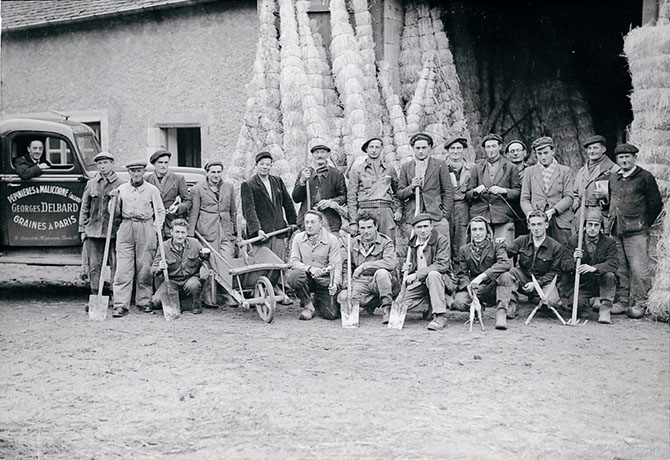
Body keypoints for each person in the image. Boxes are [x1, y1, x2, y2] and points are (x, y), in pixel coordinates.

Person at [608, 143, 663, 318]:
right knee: (620, 268)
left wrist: (642, 223)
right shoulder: (614, 178)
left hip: (636, 231)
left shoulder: (645, 177)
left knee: (639, 269)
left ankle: (640, 303)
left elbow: (655, 204)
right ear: (617, 159)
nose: (624, 160)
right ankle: (622, 301)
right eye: (620, 157)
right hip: (616, 229)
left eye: (627, 157)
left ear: (634, 158)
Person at [109, 159, 166, 317]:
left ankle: (144, 301)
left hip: (145, 226)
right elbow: (113, 213)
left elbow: (160, 211)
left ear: (143, 172)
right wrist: (112, 200)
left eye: (139, 171)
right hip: (126, 226)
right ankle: (121, 304)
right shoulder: (121, 189)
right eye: (133, 171)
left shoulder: (151, 190)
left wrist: (155, 228)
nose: (136, 174)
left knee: (144, 267)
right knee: (123, 268)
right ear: (129, 173)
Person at [78, 151, 125, 309]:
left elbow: (124, 209)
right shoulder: (91, 184)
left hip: (113, 232)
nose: (102, 166)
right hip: (94, 231)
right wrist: (82, 228)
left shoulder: (120, 183)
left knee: (115, 265)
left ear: (112, 164)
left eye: (105, 163)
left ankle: (114, 297)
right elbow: (85, 207)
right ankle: (94, 297)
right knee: (94, 266)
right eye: (99, 163)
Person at [451, 216, 516, 330]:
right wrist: (468, 287)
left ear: (487, 231)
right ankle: (478, 307)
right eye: (474, 230)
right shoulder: (464, 250)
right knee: (459, 302)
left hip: (494, 286)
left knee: (506, 276)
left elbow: (505, 263)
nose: (478, 233)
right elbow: (462, 273)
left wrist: (482, 277)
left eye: (481, 229)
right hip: (477, 288)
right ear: (470, 232)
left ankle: (501, 314)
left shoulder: (496, 246)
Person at [337, 212, 398, 324]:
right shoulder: (354, 242)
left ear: (376, 227)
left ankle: (387, 309)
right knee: (344, 297)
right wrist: (346, 281)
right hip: (362, 281)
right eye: (363, 228)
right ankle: (372, 302)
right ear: (359, 229)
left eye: (369, 227)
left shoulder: (385, 242)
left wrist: (365, 266)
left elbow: (390, 263)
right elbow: (347, 265)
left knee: (382, 273)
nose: (366, 231)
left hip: (381, 281)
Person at [561, 208, 618, 324]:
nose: (592, 228)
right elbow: (564, 264)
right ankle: (591, 302)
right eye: (590, 224)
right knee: (578, 307)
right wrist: (574, 258)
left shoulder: (609, 242)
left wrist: (595, 268)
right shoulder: (575, 241)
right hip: (582, 284)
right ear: (584, 226)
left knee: (610, 275)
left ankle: (605, 310)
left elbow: (614, 263)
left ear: (601, 228)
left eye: (596, 225)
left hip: (600, 282)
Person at [240, 151, 298, 261]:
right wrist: (258, 230)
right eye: (262, 164)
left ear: (271, 165)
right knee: (263, 266)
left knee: (279, 264)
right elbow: (249, 210)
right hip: (262, 235)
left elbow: (287, 202)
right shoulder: (248, 184)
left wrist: (293, 222)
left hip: (278, 231)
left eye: (267, 164)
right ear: (256, 165)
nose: (264, 167)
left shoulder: (277, 181)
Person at [466, 133, 521, 246]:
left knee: (504, 250)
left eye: (494, 146)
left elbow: (518, 192)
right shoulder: (477, 168)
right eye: (488, 147)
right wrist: (476, 191)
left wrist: (503, 190)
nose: (491, 150)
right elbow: (468, 194)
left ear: (500, 147)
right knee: (483, 253)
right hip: (481, 217)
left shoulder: (511, 167)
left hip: (503, 217)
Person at [505, 210, 564, 315]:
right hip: (524, 278)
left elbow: (555, 273)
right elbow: (507, 253)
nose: (536, 228)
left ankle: (537, 299)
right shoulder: (521, 240)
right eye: (533, 225)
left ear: (546, 225)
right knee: (509, 273)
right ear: (529, 226)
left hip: (544, 283)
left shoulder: (555, 247)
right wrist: (500, 246)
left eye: (539, 224)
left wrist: (536, 284)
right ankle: (511, 306)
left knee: (552, 302)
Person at [287, 210, 342, 321]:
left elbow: (336, 265)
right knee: (294, 276)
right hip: (307, 279)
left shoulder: (332, 240)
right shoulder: (298, 238)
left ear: (320, 224)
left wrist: (335, 283)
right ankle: (308, 305)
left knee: (331, 315)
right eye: (307, 222)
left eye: (313, 222)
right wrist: (310, 269)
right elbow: (293, 262)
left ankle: (318, 300)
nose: (309, 226)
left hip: (324, 281)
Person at [401, 213, 453, 331]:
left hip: (440, 280)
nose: (423, 230)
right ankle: (428, 304)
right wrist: (409, 268)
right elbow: (415, 265)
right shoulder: (412, 244)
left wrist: (416, 274)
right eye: (419, 227)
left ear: (431, 226)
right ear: (414, 229)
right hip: (420, 283)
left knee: (433, 274)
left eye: (425, 226)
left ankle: (440, 316)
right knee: (404, 304)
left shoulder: (441, 240)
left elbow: (442, 265)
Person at [397, 133, 454, 239]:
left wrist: (444, 214)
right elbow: (400, 193)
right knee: (416, 250)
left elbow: (448, 190)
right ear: (413, 149)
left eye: (424, 147)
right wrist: (412, 187)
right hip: (414, 217)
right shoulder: (406, 167)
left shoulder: (440, 164)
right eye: (417, 148)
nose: (421, 151)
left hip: (436, 216)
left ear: (430, 148)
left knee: (440, 247)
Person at [520, 136, 574, 246]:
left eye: (546, 153)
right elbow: (524, 198)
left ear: (553, 151)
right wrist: (531, 213)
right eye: (539, 154)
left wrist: (553, 210)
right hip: (538, 220)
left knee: (563, 251)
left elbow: (569, 197)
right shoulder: (529, 172)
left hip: (560, 221)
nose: (543, 157)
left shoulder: (565, 171)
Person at [150, 219, 209, 315]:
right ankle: (181, 303)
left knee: (193, 285)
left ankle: (195, 306)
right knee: (156, 301)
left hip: (190, 279)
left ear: (186, 233)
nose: (180, 235)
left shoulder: (195, 244)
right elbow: (153, 269)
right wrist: (159, 268)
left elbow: (205, 260)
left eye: (183, 232)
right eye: (177, 232)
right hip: (172, 282)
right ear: (171, 232)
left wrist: (204, 268)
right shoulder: (164, 246)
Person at [347, 137, 401, 240]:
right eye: (371, 147)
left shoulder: (389, 169)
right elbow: (351, 197)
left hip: (386, 211)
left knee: (388, 242)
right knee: (366, 243)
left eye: (377, 147)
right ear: (366, 149)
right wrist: (353, 221)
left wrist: (398, 209)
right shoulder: (357, 170)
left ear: (381, 149)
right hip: (365, 210)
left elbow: (398, 192)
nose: (374, 150)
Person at [188, 160, 237, 258]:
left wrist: (235, 232)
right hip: (207, 233)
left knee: (227, 261)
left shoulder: (228, 187)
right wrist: (190, 236)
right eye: (213, 172)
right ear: (207, 173)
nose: (216, 175)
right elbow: (193, 214)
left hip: (226, 232)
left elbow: (233, 211)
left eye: (219, 172)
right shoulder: (197, 189)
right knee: (211, 262)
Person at [293, 144, 347, 233]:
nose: (319, 155)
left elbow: (344, 196)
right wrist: (302, 181)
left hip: (330, 222)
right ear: (313, 155)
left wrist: (331, 202)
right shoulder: (305, 173)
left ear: (328, 155)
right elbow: (296, 198)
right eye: (317, 152)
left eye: (322, 152)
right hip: (308, 222)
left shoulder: (336, 174)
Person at [572, 135, 619, 235]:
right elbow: (575, 193)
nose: (592, 151)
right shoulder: (582, 170)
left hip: (601, 215)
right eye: (589, 148)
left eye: (595, 148)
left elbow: (619, 196)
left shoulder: (613, 170)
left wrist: (606, 198)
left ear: (603, 149)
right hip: (582, 214)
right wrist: (577, 208)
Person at [145, 149, 191, 239]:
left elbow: (187, 201)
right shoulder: (147, 180)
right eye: (160, 162)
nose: (163, 165)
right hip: (153, 223)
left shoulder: (178, 179)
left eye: (166, 162)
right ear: (154, 164)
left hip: (172, 222)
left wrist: (178, 208)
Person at [444, 136, 473, 258]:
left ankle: (461, 270)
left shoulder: (472, 168)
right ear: (448, 150)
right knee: (446, 237)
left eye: (459, 148)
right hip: (446, 206)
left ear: (463, 150)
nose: (455, 151)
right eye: (452, 148)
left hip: (464, 207)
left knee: (462, 237)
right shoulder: (441, 167)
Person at [504, 140, 530, 236]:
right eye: (512, 151)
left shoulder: (531, 172)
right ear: (507, 155)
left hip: (525, 214)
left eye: (518, 150)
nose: (515, 153)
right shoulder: (502, 172)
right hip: (507, 214)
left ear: (524, 153)